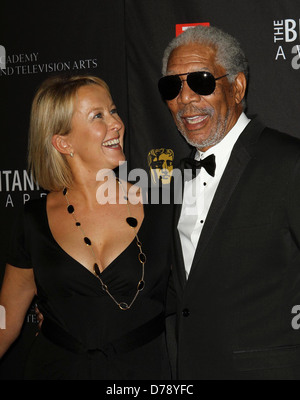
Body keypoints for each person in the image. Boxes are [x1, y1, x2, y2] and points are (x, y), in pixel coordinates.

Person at [0, 75, 173, 380]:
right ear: (63, 142)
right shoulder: (33, 219)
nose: (116, 123)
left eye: (114, 111)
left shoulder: (161, 206)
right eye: (98, 116)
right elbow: (6, 320)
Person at [158, 25, 300, 380]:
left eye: (201, 82)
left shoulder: (289, 163)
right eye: (172, 87)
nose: (185, 99)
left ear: (237, 88)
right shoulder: (171, 179)